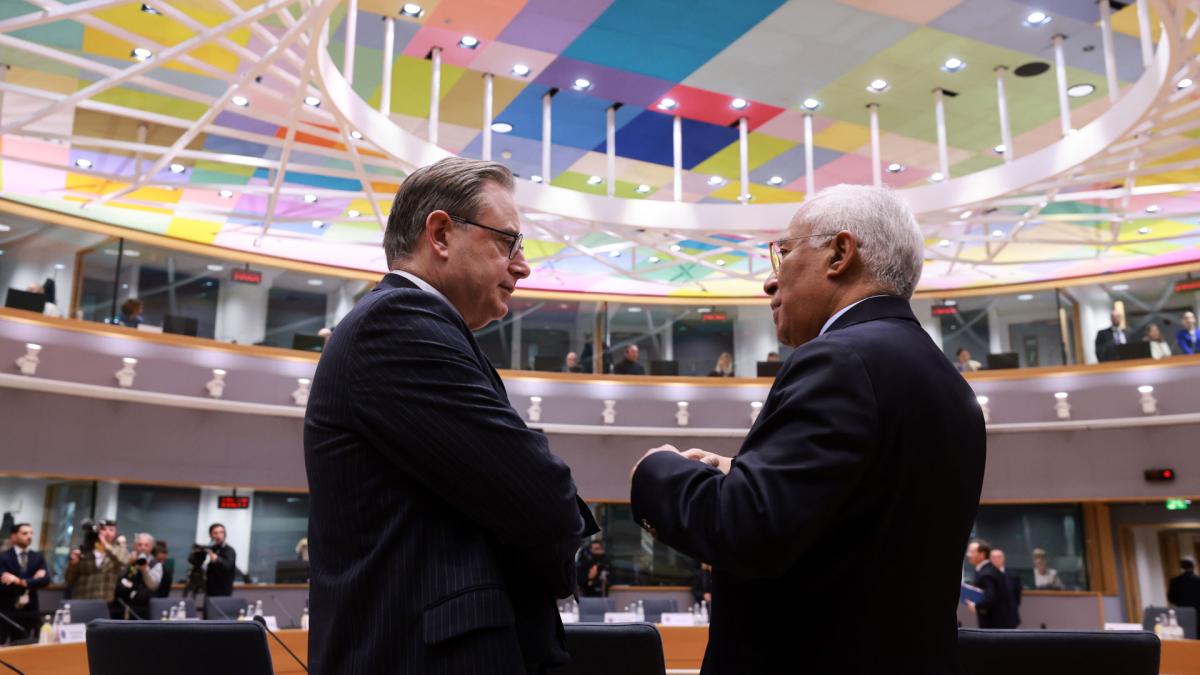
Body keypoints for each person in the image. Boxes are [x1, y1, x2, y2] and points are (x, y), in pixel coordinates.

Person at [628, 184, 986, 673]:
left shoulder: (839, 358)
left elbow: (747, 530)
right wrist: (745, 473)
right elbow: (862, 517)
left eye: (784, 253)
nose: (769, 282)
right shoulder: (945, 379)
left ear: (840, 254)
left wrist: (658, 472)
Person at [304, 157, 595, 674]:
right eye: (508, 242)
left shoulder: (419, 327)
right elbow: (543, 496)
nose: (523, 266)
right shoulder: (397, 323)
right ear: (440, 233)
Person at [0, 524, 48, 644]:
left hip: (28, 610)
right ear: (14, 536)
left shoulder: (37, 557)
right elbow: (3, 581)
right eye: (25, 533)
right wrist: (33, 580)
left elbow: (45, 580)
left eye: (31, 533)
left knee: (24, 646)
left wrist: (19, 581)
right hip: (5, 609)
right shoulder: (3, 557)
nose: (29, 536)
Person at [65, 519, 129, 603]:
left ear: (115, 534)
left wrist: (106, 544)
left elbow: (124, 560)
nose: (107, 532)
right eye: (104, 529)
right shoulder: (85, 551)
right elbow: (69, 580)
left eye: (111, 530)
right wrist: (73, 565)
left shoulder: (117, 551)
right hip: (81, 600)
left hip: (104, 602)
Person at [965, 540, 1018, 629]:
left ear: (982, 554)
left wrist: (976, 606)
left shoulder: (987, 574)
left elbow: (990, 598)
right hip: (999, 623)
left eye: (972, 552)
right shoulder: (989, 570)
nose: (968, 555)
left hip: (995, 625)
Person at [114, 532, 162, 619]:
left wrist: (145, 570)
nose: (143, 547)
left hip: (146, 607)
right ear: (135, 546)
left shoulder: (156, 564)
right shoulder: (129, 560)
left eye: (146, 545)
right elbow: (117, 578)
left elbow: (153, 586)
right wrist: (128, 563)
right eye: (140, 545)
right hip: (126, 605)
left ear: (151, 547)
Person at [989, 548, 1022, 627]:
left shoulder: (1013, 575)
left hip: (1010, 616)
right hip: (991, 618)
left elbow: (1017, 596)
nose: (996, 559)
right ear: (990, 559)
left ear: (1003, 558)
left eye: (999, 557)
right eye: (993, 557)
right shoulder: (986, 575)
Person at [204, 523, 236, 598]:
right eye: (215, 533)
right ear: (211, 535)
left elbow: (228, 566)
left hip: (223, 590)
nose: (219, 536)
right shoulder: (210, 549)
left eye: (221, 532)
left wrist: (217, 559)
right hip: (209, 589)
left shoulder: (229, 550)